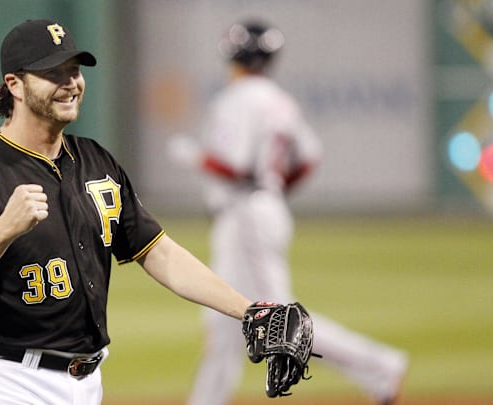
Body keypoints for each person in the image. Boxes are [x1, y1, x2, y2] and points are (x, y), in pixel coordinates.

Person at [0, 19, 285, 404]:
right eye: (52, 73)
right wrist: (2, 231)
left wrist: (249, 310)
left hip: (88, 384)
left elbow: (158, 253)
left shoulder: (96, 161)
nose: (70, 83)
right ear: (15, 85)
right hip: (9, 382)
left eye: (74, 71)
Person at [167, 21, 409, 405]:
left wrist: (195, 157)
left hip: (245, 215)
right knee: (224, 318)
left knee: (280, 320)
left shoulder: (236, 99)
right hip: (261, 208)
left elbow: (237, 165)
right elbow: (308, 158)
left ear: (232, 55)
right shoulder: (278, 99)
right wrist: (274, 190)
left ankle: (379, 366)